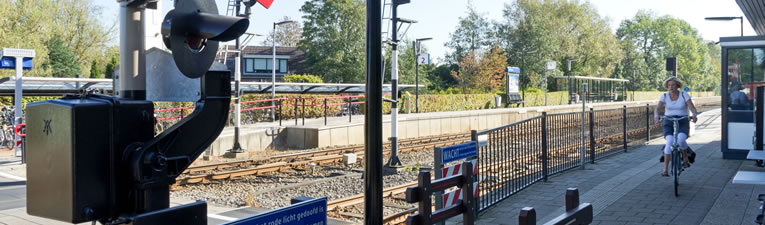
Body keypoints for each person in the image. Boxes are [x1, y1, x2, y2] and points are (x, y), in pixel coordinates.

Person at [653, 77, 698, 177]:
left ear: (678, 86)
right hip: (669, 121)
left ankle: (685, 159)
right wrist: (656, 115)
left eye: (673, 85)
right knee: (670, 142)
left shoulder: (683, 94)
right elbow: (658, 108)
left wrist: (694, 114)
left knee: (681, 140)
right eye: (669, 85)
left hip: (682, 121)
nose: (671, 87)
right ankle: (665, 169)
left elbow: (692, 107)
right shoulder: (664, 96)